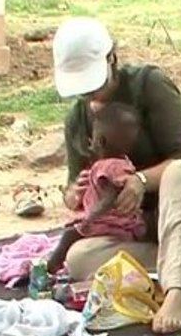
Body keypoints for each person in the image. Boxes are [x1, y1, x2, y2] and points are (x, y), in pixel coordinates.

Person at [52, 17, 181, 333]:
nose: (89, 94)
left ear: (112, 59)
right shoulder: (78, 119)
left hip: (177, 210)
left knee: (179, 173)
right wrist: (73, 194)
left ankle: (179, 290)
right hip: (133, 232)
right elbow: (74, 182)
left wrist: (141, 182)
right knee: (78, 260)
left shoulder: (149, 86)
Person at [46, 103, 145, 274]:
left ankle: (50, 268)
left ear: (99, 141)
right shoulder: (124, 164)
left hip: (108, 223)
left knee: (70, 234)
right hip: (122, 224)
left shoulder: (106, 167)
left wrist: (90, 218)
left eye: (93, 136)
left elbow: (109, 196)